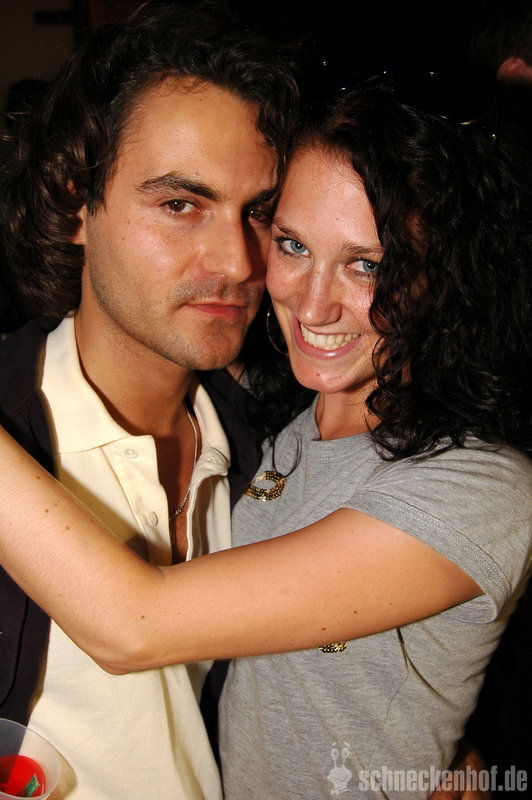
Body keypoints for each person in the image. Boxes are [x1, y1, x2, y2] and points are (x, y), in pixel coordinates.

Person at [1, 72, 531, 798]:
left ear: (443, 277)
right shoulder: (271, 426)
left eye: (368, 264)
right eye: (291, 243)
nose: (312, 302)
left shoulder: (482, 484)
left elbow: (134, 623)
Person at [0, 1, 299, 797]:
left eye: (260, 214)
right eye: (180, 205)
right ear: (75, 204)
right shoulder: (11, 437)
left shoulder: (281, 457)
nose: (237, 261)